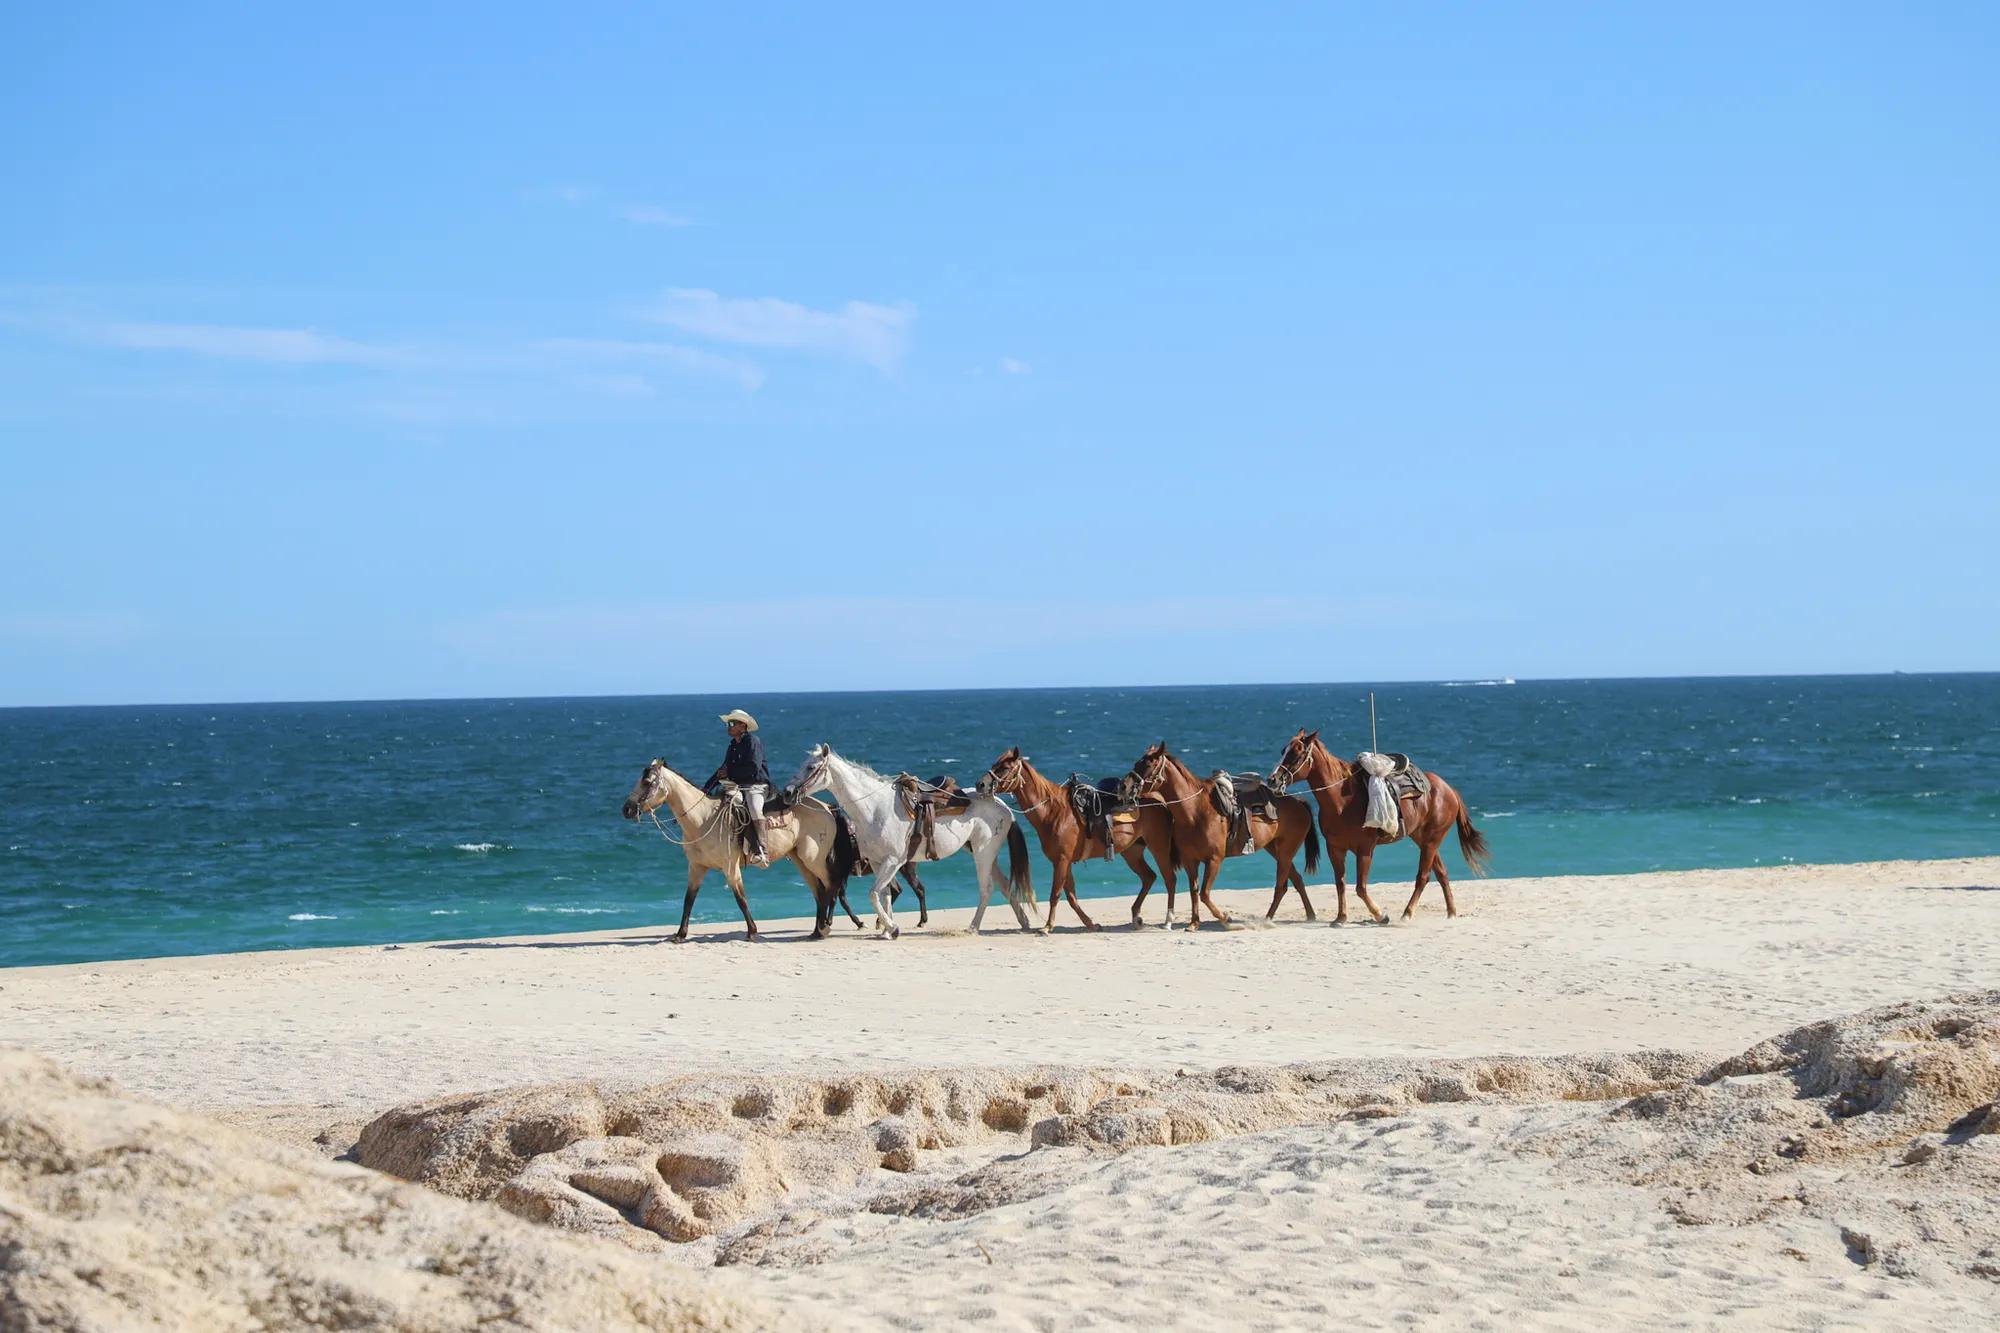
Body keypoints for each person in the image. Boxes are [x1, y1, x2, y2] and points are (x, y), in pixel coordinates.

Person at [703, 709, 773, 866]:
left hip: (757, 785)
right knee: (728, 803)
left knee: (754, 808)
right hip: (739, 785)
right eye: (728, 723)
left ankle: (762, 850)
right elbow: (723, 769)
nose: (728, 726)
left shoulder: (753, 741)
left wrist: (729, 772)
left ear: (743, 725)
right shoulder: (732, 746)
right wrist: (705, 789)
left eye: (732, 723)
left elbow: (754, 768)